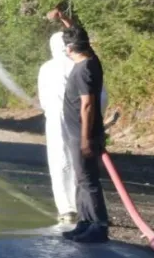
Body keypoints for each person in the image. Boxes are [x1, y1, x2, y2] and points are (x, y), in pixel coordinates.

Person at [60, 26, 109, 243]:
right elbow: (78, 34)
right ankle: (85, 222)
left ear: (70, 48)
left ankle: (99, 226)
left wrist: (85, 139)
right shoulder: (91, 61)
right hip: (78, 133)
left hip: (83, 134)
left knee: (88, 180)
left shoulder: (83, 70)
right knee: (81, 179)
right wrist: (64, 20)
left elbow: (87, 105)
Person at [37, 32, 78, 224]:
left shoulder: (46, 68)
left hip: (55, 118)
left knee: (59, 160)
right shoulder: (80, 65)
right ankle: (83, 205)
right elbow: (101, 96)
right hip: (80, 117)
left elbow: (43, 98)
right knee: (80, 161)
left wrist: (50, 111)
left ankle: (67, 209)